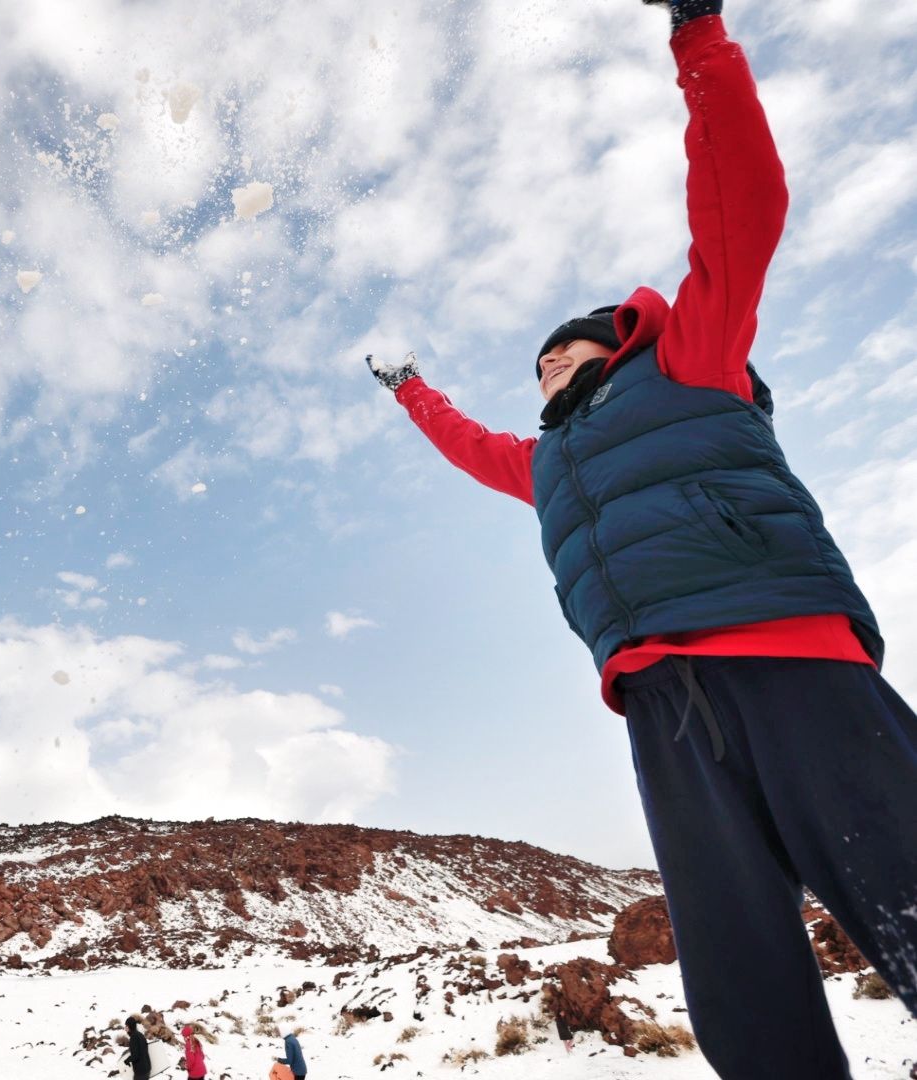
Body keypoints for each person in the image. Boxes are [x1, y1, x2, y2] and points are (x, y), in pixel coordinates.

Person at [365, 2, 917, 1078]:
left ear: (608, 344)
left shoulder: (690, 362)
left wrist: (699, 39)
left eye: (558, 359)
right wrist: (411, 392)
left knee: (904, 876)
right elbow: (470, 444)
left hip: (787, 659)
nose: (543, 379)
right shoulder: (547, 465)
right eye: (533, 375)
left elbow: (742, 211)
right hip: (663, 709)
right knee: (737, 973)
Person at [124, 1015, 153, 1080]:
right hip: (147, 1068)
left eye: (126, 1026)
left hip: (140, 1072)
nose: (125, 1028)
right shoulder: (140, 1035)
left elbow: (135, 1056)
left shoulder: (133, 1038)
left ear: (130, 1026)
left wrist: (127, 1060)